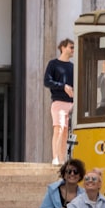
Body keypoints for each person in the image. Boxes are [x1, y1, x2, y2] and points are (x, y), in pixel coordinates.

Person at [44, 38, 75, 166]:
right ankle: (55, 157)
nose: (73, 50)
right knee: (59, 128)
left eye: (73, 47)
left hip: (71, 103)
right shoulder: (53, 64)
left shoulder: (73, 67)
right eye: (71, 47)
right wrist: (63, 86)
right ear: (63, 47)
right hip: (58, 101)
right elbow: (47, 81)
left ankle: (62, 159)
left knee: (66, 131)